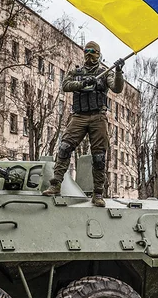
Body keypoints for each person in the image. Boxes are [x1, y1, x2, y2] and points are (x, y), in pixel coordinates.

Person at [42, 41, 124, 206]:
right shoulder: (77, 72)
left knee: (99, 156)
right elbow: (65, 85)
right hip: (79, 116)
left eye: (92, 51)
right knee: (65, 147)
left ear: (98, 54)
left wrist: (118, 71)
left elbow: (117, 88)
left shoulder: (105, 73)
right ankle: (56, 184)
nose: (89, 54)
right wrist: (82, 83)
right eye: (86, 51)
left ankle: (98, 193)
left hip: (97, 116)